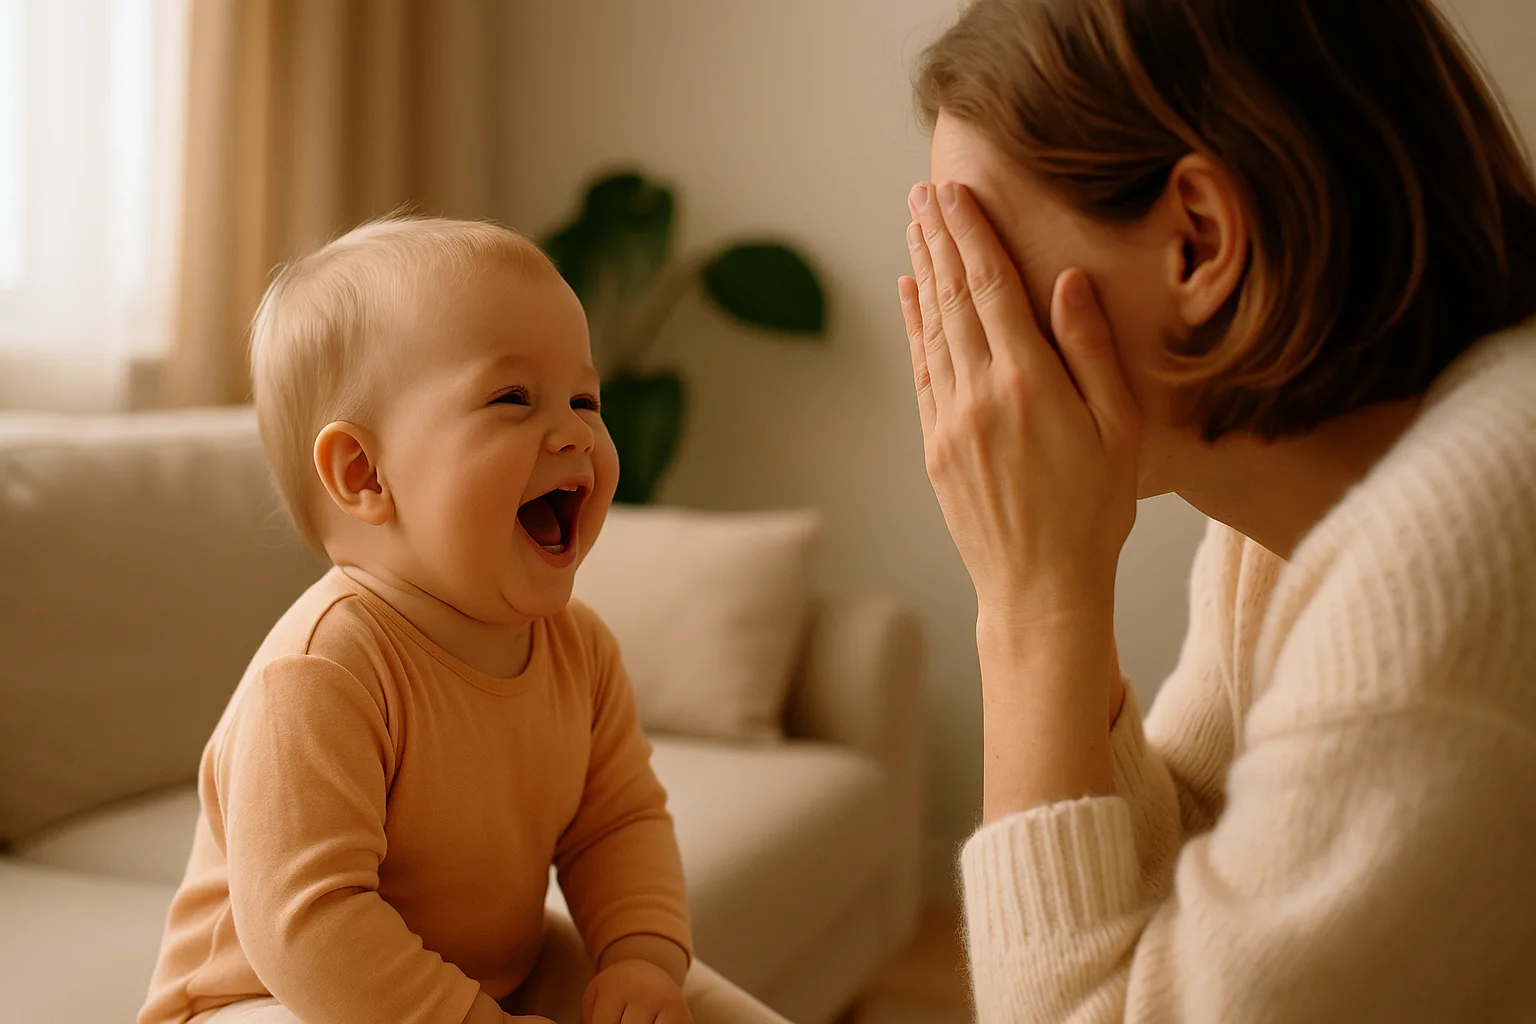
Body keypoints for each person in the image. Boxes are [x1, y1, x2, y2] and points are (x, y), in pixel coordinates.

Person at [898, 0, 1536, 1020]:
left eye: (983, 265)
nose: (961, 342)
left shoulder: (1452, 557)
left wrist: (1032, 603)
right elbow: (1198, 845)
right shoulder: (1287, 515)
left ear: (1198, 241)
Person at [138, 218, 789, 1024]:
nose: (574, 432)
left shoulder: (580, 652)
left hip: (489, 978)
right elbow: (309, 927)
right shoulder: (322, 673)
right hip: (273, 997)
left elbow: (617, 823)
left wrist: (642, 960)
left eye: (586, 399)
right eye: (513, 398)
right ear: (364, 473)